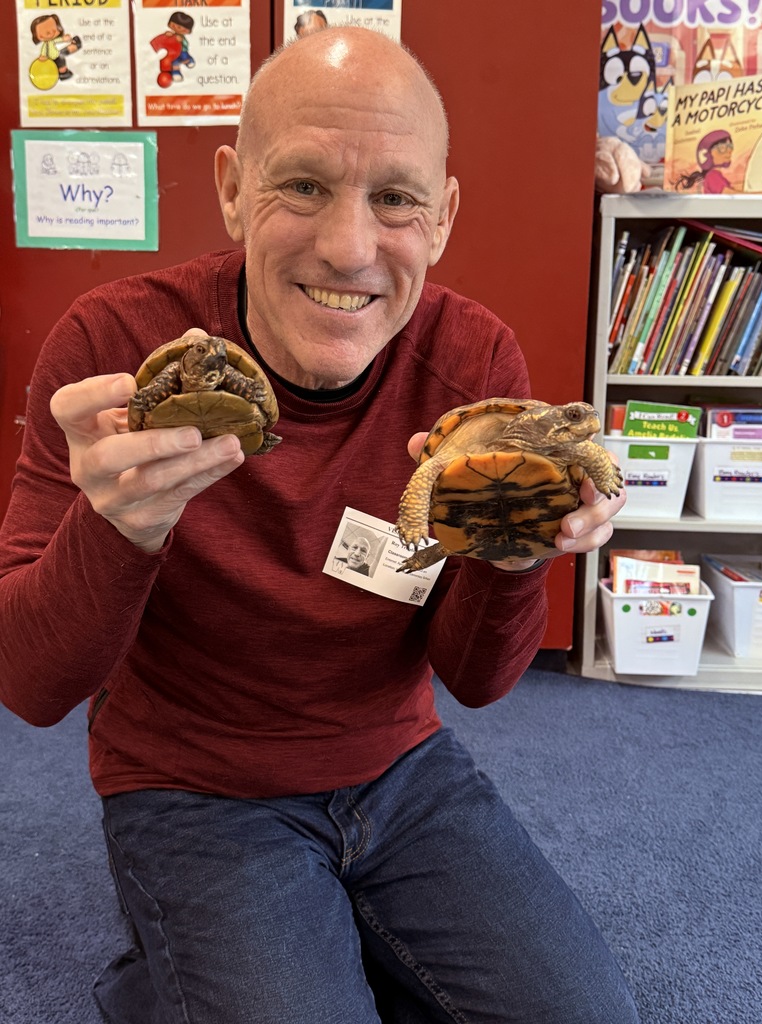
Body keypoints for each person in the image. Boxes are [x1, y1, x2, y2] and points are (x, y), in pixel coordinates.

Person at [0, 26, 636, 1024]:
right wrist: (119, 526)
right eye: (301, 185)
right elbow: (30, 685)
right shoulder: (118, 353)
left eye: (396, 197)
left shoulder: (476, 367)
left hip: (400, 763)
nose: (348, 247)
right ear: (230, 187)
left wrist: (513, 561)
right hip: (193, 781)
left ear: (444, 217)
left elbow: (473, 678)